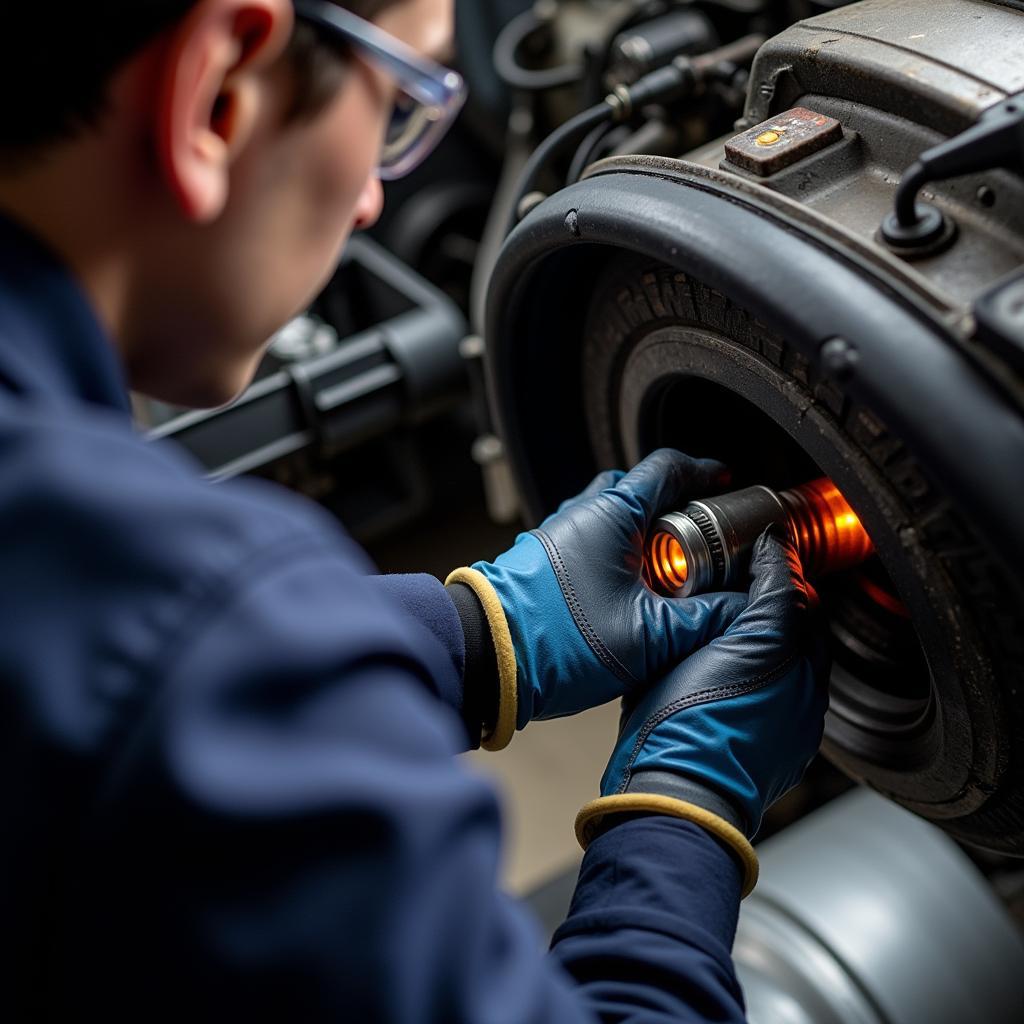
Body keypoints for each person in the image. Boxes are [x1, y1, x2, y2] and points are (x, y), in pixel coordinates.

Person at [0, 0, 829, 1019]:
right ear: (216, 90)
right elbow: (168, 663)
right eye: (400, 100)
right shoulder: (192, 623)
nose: (368, 203)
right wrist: (681, 810)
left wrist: (478, 635)